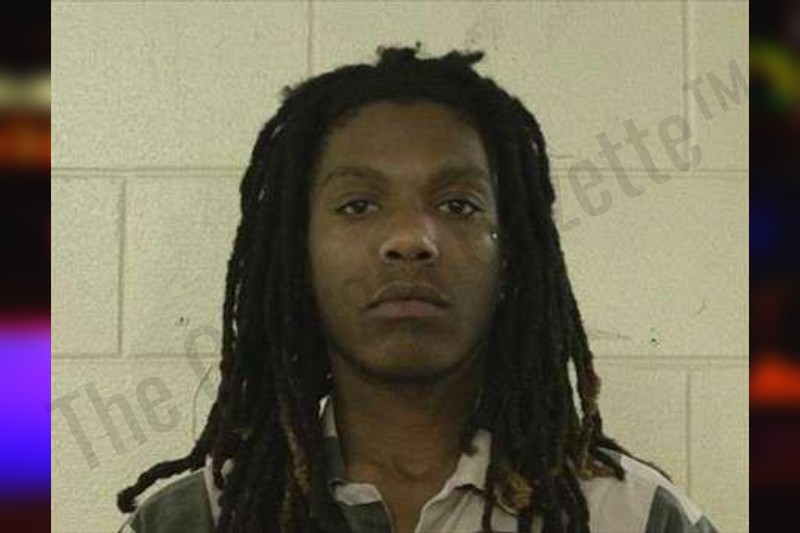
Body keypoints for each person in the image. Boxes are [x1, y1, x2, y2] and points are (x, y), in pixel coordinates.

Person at [116, 44, 718, 533]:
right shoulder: (193, 521)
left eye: (458, 205)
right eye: (358, 205)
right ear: (299, 256)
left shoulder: (633, 518)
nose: (410, 239)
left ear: (509, 258)